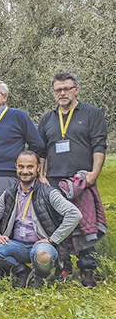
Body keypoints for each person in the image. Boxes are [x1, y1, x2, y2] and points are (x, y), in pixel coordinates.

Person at [38, 73, 108, 287]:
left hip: (81, 179)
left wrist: (93, 174)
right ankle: (64, 267)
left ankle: (87, 269)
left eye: (67, 88)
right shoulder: (47, 119)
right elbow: (41, 150)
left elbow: (99, 145)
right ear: (52, 93)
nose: (62, 93)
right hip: (54, 182)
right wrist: (41, 175)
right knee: (57, 224)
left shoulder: (91, 113)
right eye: (58, 89)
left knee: (85, 224)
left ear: (76, 90)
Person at [0, 152, 82, 288]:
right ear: (16, 168)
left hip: (41, 245)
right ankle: (22, 271)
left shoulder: (48, 193)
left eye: (30, 167)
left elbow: (74, 214)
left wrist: (53, 240)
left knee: (43, 255)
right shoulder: (10, 193)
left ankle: (38, 277)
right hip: (16, 245)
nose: (25, 171)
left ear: (38, 168)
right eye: (21, 167)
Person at [0, 80, 46, 212]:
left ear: (4, 97)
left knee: (8, 216)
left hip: (7, 175)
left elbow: (38, 145)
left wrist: (25, 165)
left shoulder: (18, 116)